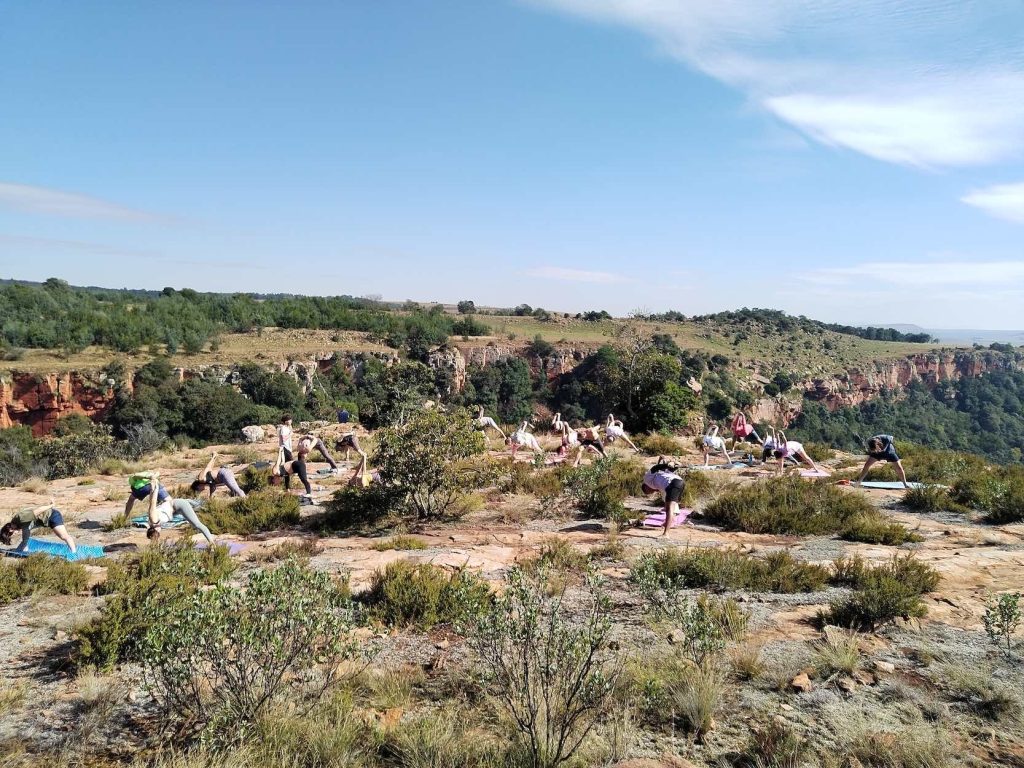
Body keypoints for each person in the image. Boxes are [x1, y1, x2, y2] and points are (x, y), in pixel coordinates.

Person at [125, 471, 215, 544]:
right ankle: (202, 504)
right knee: (197, 507)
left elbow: (152, 503)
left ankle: (212, 544)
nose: (161, 531)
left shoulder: (153, 519)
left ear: (155, 529)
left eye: (159, 532)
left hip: (178, 505)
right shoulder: (154, 524)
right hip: (174, 509)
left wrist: (154, 489)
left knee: (197, 525)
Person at [1, 502, 77, 553]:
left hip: (52, 516)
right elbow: (25, 539)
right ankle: (21, 549)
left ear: (11, 529)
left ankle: (73, 553)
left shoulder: (22, 518)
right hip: (45, 520)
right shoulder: (18, 524)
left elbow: (38, 510)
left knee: (63, 536)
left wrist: (51, 505)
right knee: (25, 540)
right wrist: (18, 550)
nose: (14, 534)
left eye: (12, 533)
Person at [641, 459, 688, 537]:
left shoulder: (647, 479)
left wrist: (666, 465)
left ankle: (666, 534)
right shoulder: (660, 484)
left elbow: (655, 468)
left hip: (673, 484)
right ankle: (668, 523)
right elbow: (668, 470)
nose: (652, 492)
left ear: (646, 487)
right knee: (670, 507)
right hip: (680, 482)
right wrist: (673, 466)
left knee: (669, 509)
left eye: (649, 492)